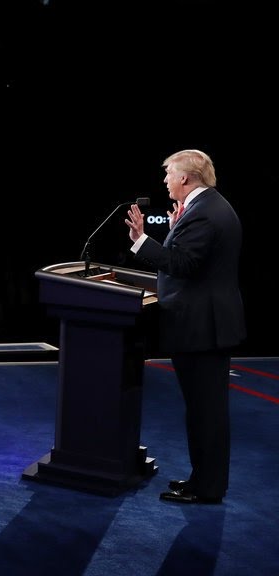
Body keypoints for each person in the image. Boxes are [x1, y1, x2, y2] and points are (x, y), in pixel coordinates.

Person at [124, 149, 245, 505]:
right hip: (204, 325)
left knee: (206, 413)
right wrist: (174, 231)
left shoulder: (205, 212)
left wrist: (141, 240)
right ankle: (202, 481)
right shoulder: (205, 207)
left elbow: (183, 265)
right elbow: (192, 260)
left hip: (202, 328)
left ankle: (207, 488)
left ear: (185, 178)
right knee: (202, 411)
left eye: (169, 174)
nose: (165, 181)